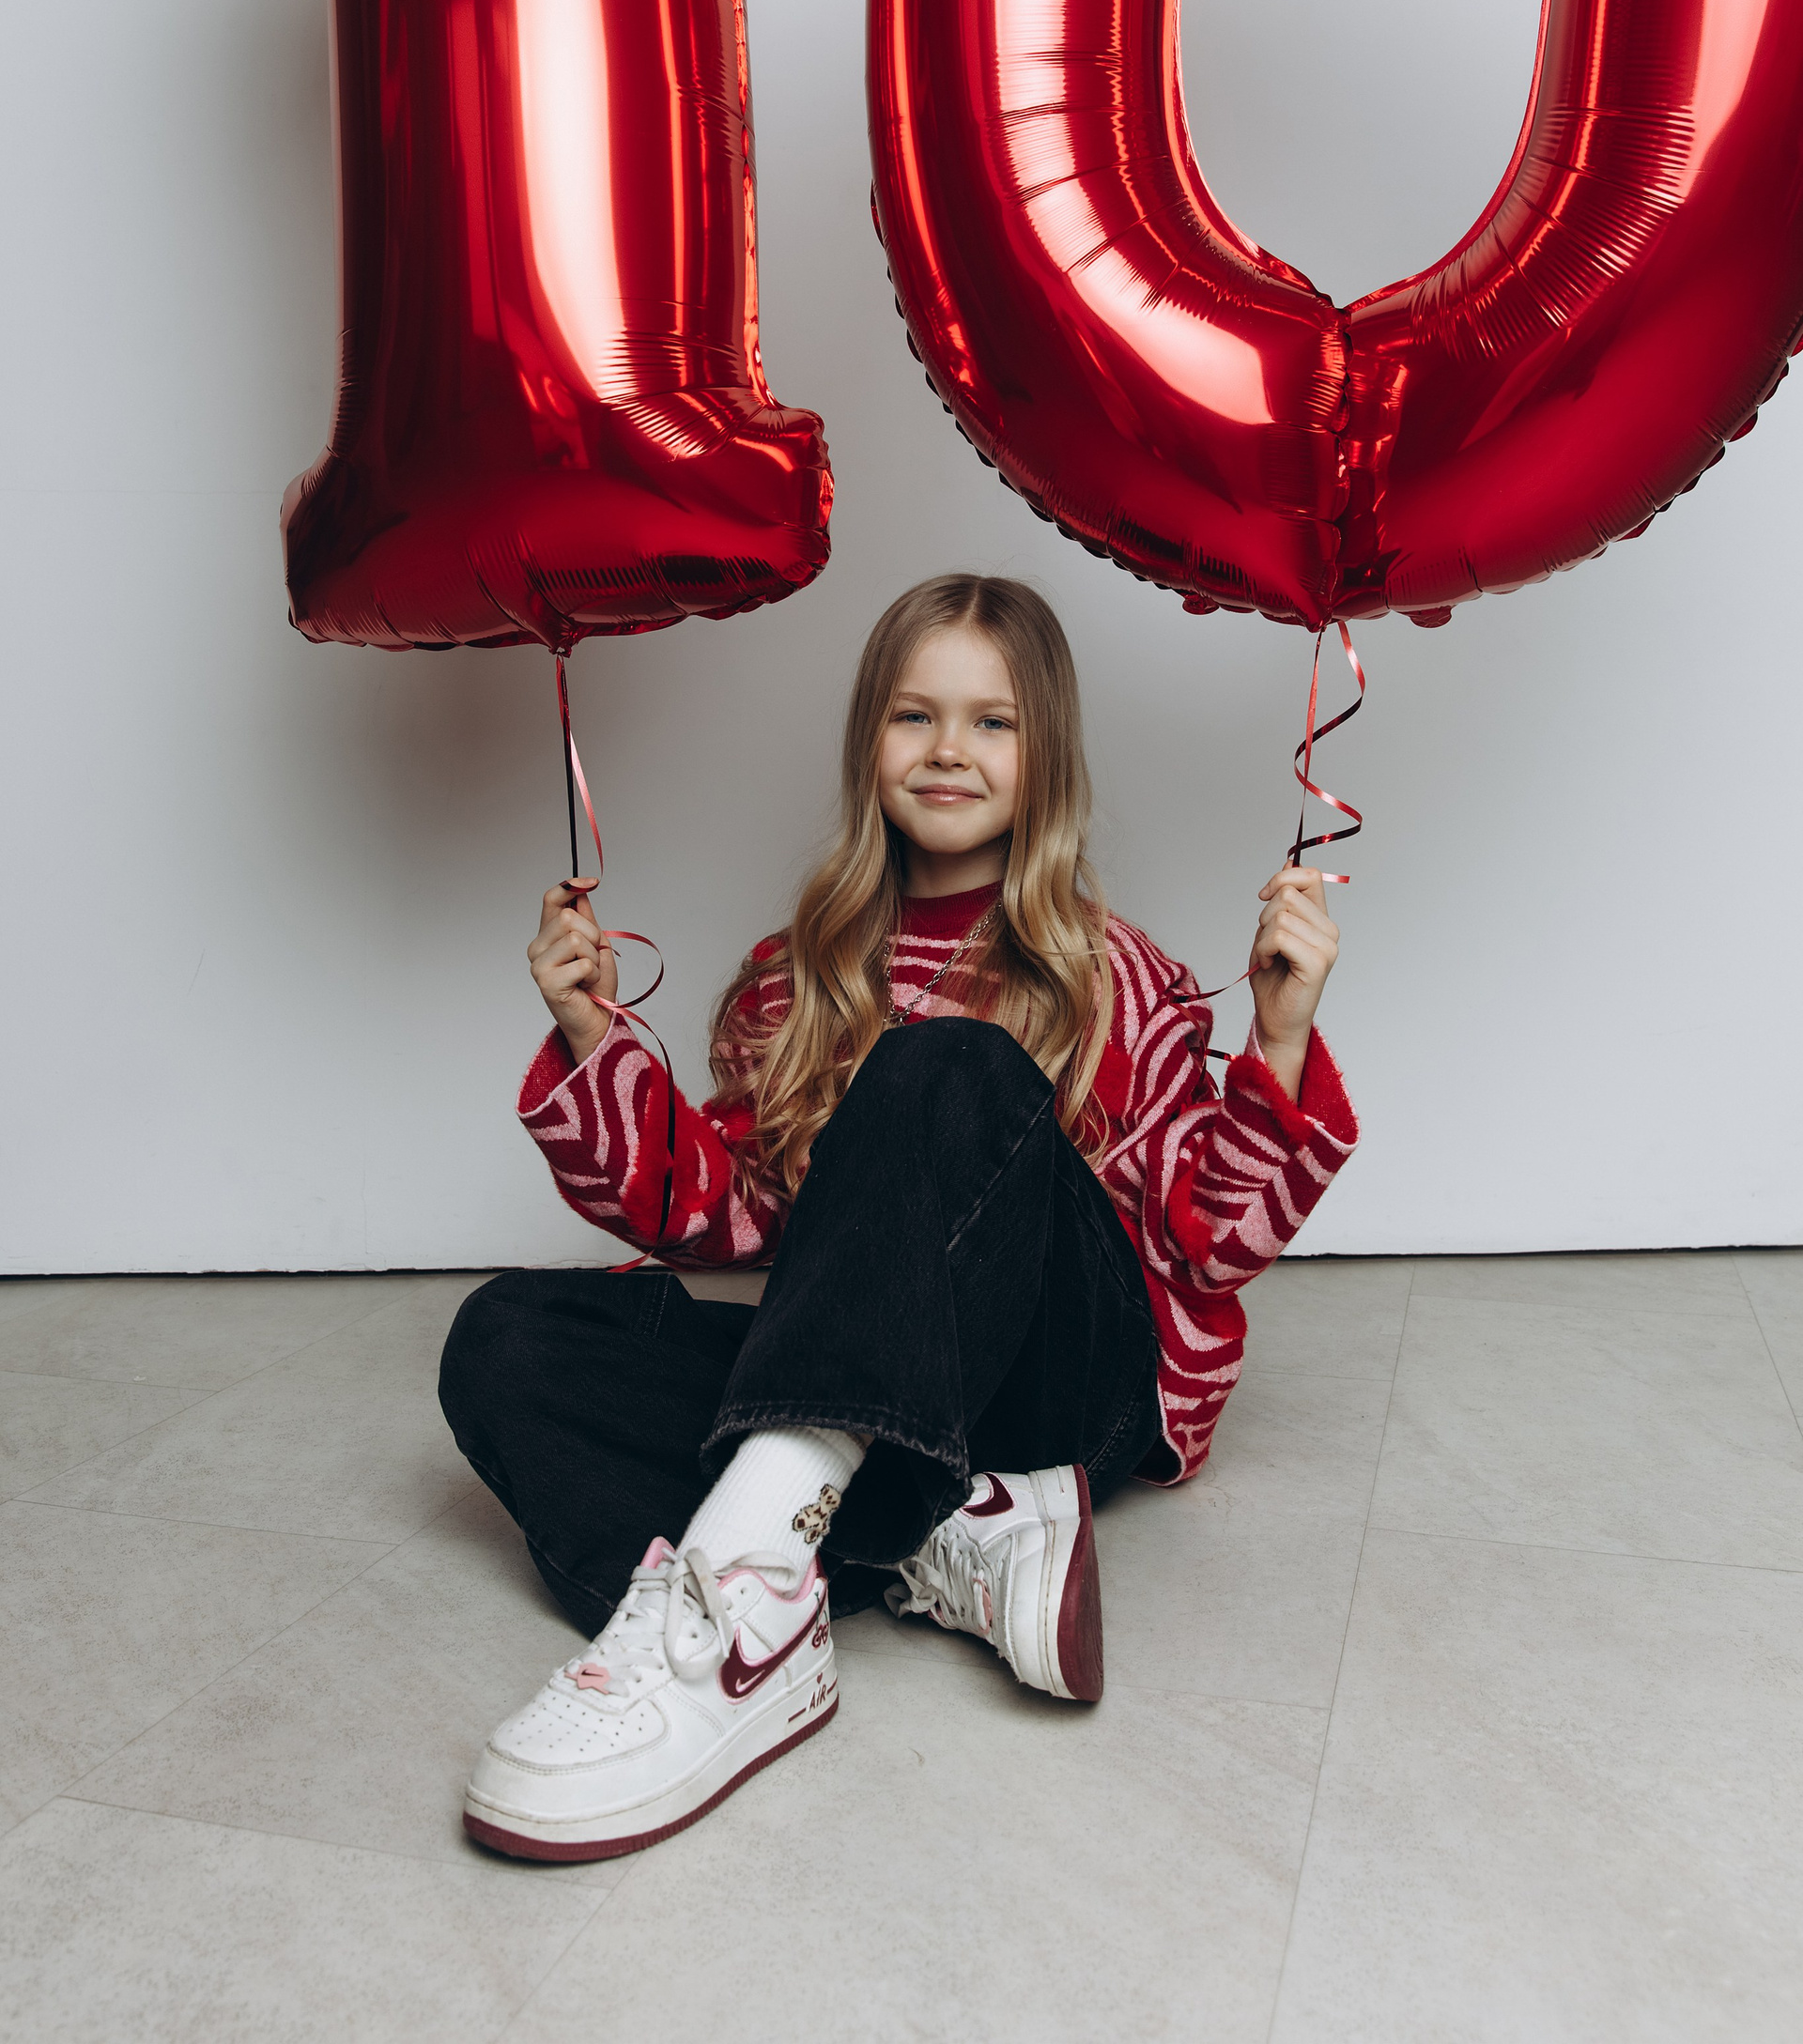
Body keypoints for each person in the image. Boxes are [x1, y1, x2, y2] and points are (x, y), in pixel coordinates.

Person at [440, 574, 1355, 1863]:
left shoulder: (1121, 974)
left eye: (994, 722)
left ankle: (749, 1600)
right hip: (879, 1402)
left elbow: (1213, 1243)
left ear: (1047, 755)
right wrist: (594, 1035)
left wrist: (1281, 1039)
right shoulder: (795, 979)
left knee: (947, 1066)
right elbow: (728, 1220)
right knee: (507, 1338)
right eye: (914, 716)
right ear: (868, 739)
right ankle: (929, 1545)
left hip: (1067, 1396)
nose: (947, 751)